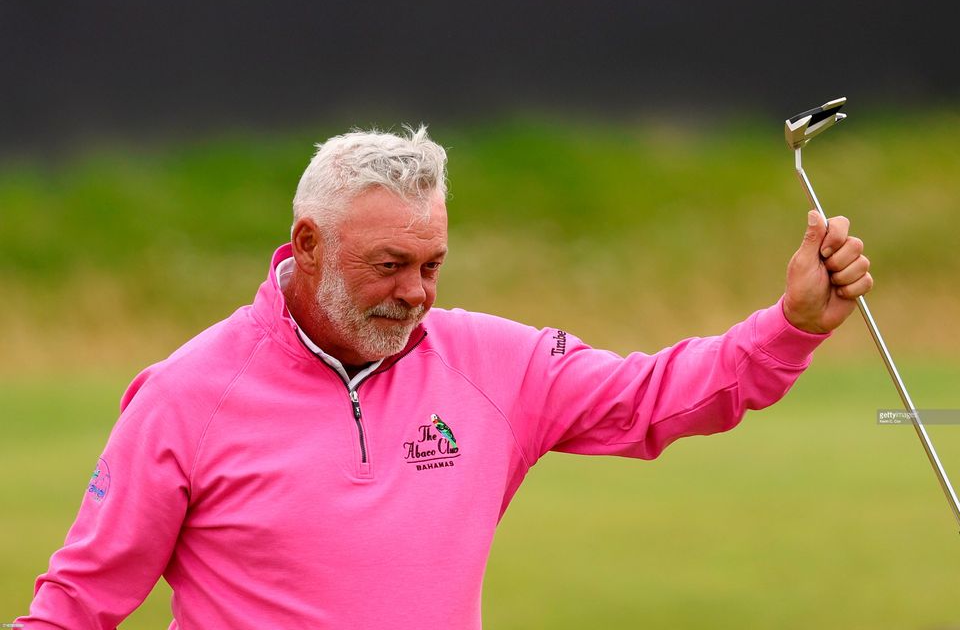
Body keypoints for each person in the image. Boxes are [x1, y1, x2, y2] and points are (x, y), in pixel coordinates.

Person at [18, 126, 873, 629]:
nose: (417, 294)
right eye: (390, 265)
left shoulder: (491, 366)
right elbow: (77, 605)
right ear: (308, 246)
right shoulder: (185, 396)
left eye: (433, 264)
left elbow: (655, 398)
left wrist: (789, 326)